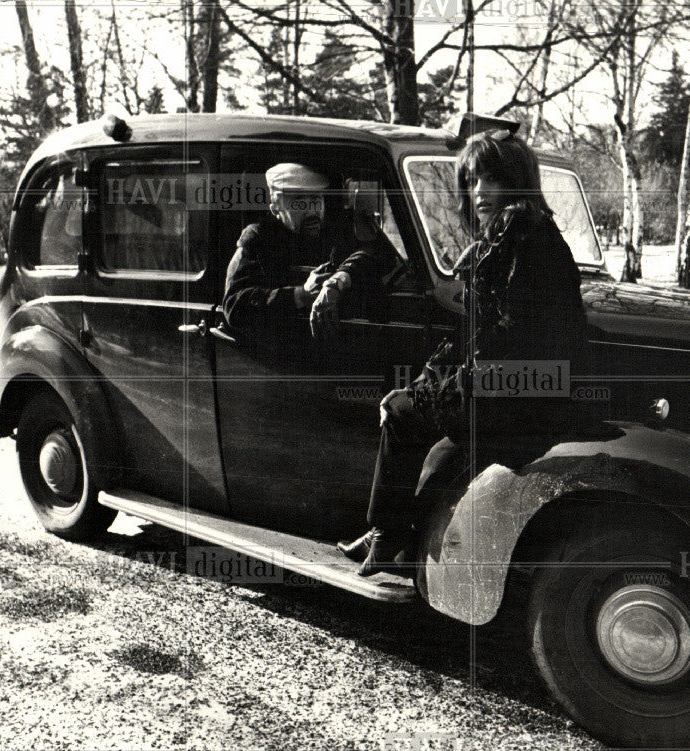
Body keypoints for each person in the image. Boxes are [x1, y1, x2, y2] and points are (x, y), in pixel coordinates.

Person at [339, 130, 588, 577]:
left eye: (492, 179)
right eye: (473, 181)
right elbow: (471, 338)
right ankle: (388, 537)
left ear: (517, 182)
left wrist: (432, 393)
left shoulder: (520, 239)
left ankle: (387, 538)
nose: (479, 193)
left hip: (523, 391)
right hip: (521, 385)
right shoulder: (515, 238)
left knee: (400, 415)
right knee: (413, 414)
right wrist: (423, 386)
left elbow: (508, 343)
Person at [222, 163, 383, 354]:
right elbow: (235, 306)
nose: (311, 210)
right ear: (275, 209)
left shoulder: (332, 231)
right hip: (280, 356)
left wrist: (339, 278)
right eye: (298, 201)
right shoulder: (258, 238)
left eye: (315, 198)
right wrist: (301, 295)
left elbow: (375, 253)